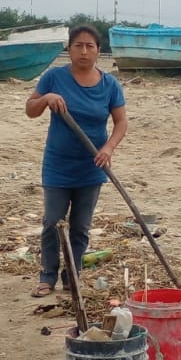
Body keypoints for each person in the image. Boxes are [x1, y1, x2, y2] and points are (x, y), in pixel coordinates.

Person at [24, 25, 128, 298]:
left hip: (92, 166)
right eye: (78, 45)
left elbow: (121, 122)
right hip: (58, 165)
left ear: (98, 51)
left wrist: (108, 148)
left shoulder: (109, 85)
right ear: (69, 49)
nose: (83, 51)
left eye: (89, 46)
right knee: (52, 222)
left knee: (80, 227)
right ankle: (47, 276)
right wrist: (46, 99)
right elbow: (30, 110)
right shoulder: (54, 77)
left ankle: (72, 275)